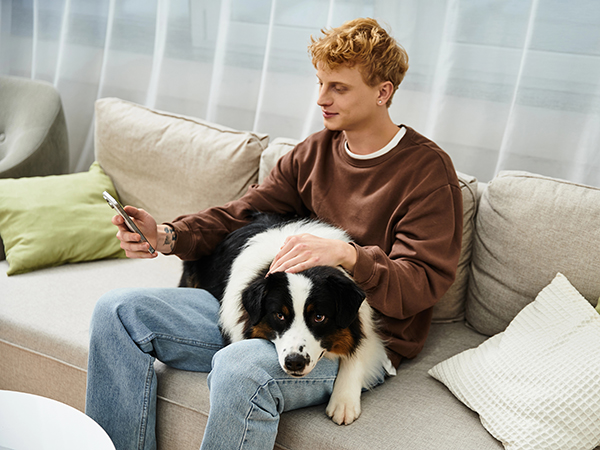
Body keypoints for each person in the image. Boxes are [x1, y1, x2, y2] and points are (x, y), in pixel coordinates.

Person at [85, 17, 463, 450]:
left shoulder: (427, 173)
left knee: (239, 368)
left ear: (383, 92)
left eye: (338, 87)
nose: (321, 98)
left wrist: (348, 255)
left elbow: (422, 283)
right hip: (279, 316)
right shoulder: (314, 152)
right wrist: (168, 235)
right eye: (320, 83)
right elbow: (241, 215)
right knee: (116, 311)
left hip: (351, 338)